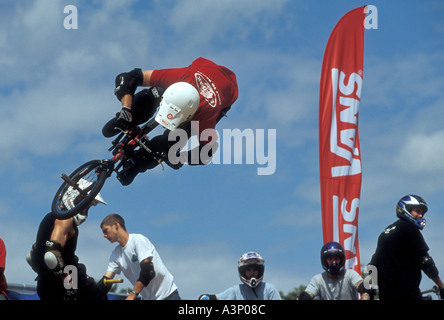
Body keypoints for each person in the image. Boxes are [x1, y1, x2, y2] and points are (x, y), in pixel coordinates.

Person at [102, 57, 239, 185]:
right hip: (196, 73)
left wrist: (180, 157)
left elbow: (207, 152)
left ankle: (136, 163)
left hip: (226, 95)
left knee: (173, 142)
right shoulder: (175, 77)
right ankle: (128, 118)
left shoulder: (206, 115)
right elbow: (129, 77)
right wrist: (126, 108)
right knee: (148, 98)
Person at [27, 181, 108, 300]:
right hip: (66, 278)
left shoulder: (50, 217)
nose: (85, 210)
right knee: (99, 296)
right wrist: (70, 285)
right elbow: (52, 256)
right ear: (74, 197)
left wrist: (42, 272)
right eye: (86, 205)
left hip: (46, 283)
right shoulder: (66, 219)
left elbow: (32, 253)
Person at [369, 194, 444, 300]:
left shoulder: (384, 233)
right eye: (417, 211)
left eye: (422, 213)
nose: (420, 216)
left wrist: (368, 293)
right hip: (408, 295)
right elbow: (425, 261)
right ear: (406, 209)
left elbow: (372, 267)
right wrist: (441, 286)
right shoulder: (409, 228)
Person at [100, 213, 180, 300]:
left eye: (106, 231)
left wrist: (132, 295)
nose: (104, 236)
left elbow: (148, 271)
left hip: (168, 295)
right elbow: (106, 281)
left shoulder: (138, 240)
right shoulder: (116, 254)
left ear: (116, 225)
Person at [298, 242, 372, 300]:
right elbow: (307, 295)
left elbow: (363, 287)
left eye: (336, 259)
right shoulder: (318, 280)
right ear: (325, 261)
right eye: (330, 259)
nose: (334, 262)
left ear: (341, 260)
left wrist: (365, 293)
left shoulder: (350, 274)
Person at [199, 252, 281, 300]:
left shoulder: (269, 289)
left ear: (260, 271)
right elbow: (217, 298)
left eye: (255, 270)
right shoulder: (236, 291)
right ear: (243, 272)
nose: (252, 272)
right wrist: (205, 297)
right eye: (248, 270)